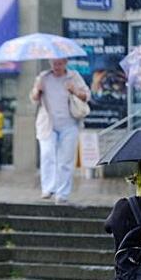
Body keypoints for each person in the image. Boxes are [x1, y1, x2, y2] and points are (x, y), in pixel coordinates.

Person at [30, 58, 91, 205]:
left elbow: (87, 96)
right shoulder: (43, 77)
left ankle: (62, 193)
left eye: (59, 63)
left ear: (65, 62)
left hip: (69, 124)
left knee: (66, 160)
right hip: (47, 124)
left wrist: (74, 90)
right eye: (54, 63)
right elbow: (34, 99)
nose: (56, 66)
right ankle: (48, 189)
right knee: (47, 155)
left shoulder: (74, 76)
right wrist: (37, 90)